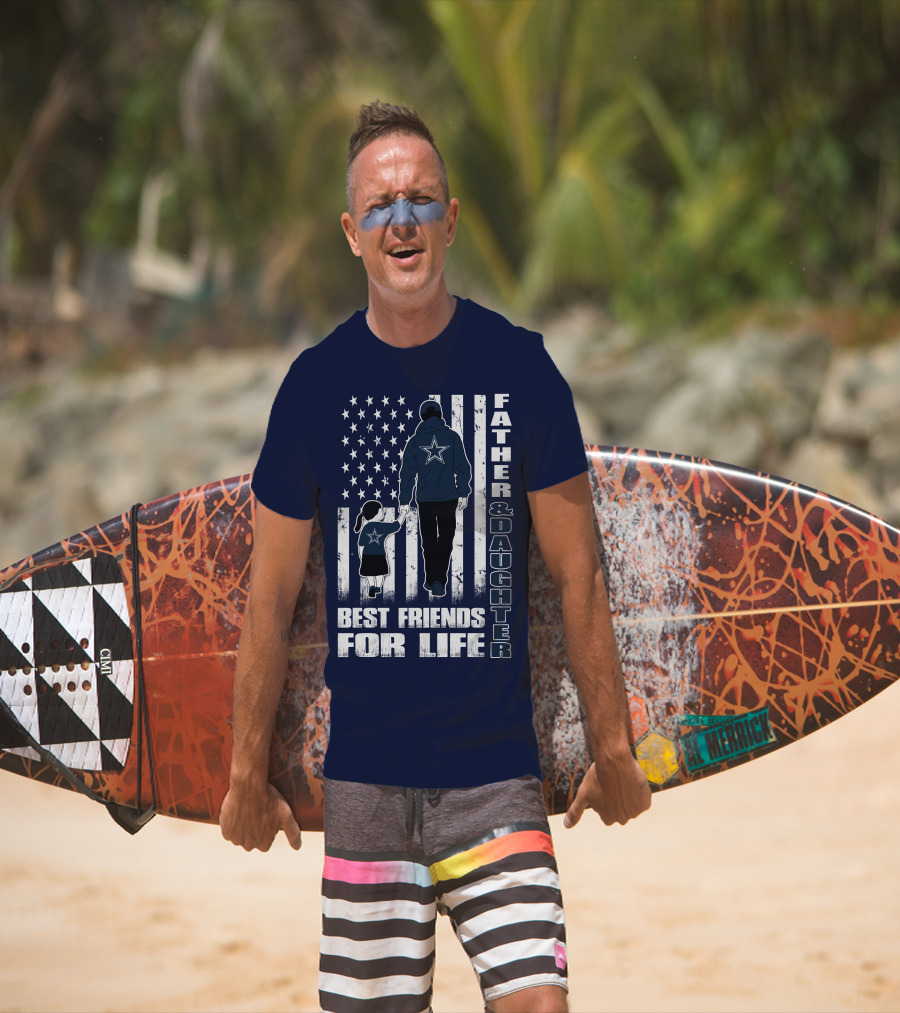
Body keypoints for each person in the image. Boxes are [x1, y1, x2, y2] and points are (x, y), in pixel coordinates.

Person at [220, 100, 651, 1013]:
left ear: (450, 220)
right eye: (380, 206)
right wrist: (244, 772)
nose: (402, 221)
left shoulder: (521, 371)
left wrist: (612, 745)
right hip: (366, 790)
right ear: (352, 233)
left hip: (495, 781)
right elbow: (270, 600)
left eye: (420, 200)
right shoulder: (314, 389)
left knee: (540, 1003)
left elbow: (578, 574)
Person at [397, 398, 471, 597]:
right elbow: (463, 467)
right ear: (440, 415)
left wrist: (404, 500)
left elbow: (407, 474)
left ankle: (432, 579)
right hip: (448, 498)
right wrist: (463, 492)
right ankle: (439, 580)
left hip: (425, 499)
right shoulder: (452, 437)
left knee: (428, 541)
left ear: (422, 416)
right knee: (446, 539)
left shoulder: (414, 441)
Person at [354, 498, 402, 598]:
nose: (383, 512)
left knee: (369, 574)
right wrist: (403, 513)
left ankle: (371, 586)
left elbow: (361, 545)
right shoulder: (382, 527)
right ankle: (378, 587)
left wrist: (361, 557)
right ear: (375, 512)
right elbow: (396, 526)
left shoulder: (365, 528)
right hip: (380, 556)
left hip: (367, 556)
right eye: (381, 510)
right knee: (380, 573)